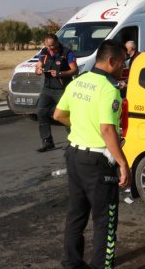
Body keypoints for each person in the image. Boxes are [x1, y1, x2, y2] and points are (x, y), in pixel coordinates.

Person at [53, 39, 131, 268]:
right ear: (111, 61)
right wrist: (123, 164)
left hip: (74, 155)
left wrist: (79, 126)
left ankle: (71, 263)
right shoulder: (109, 89)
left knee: (76, 215)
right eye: (122, 63)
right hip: (97, 161)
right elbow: (107, 130)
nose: (123, 68)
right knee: (105, 220)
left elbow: (58, 114)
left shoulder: (78, 81)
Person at [34, 33, 78, 152]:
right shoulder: (44, 53)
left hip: (62, 89)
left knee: (64, 114)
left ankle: (73, 141)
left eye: (52, 46)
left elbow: (75, 70)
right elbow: (37, 68)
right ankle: (47, 142)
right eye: (47, 45)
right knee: (41, 112)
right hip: (47, 89)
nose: (50, 48)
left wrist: (60, 74)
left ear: (57, 42)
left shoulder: (66, 53)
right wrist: (39, 70)